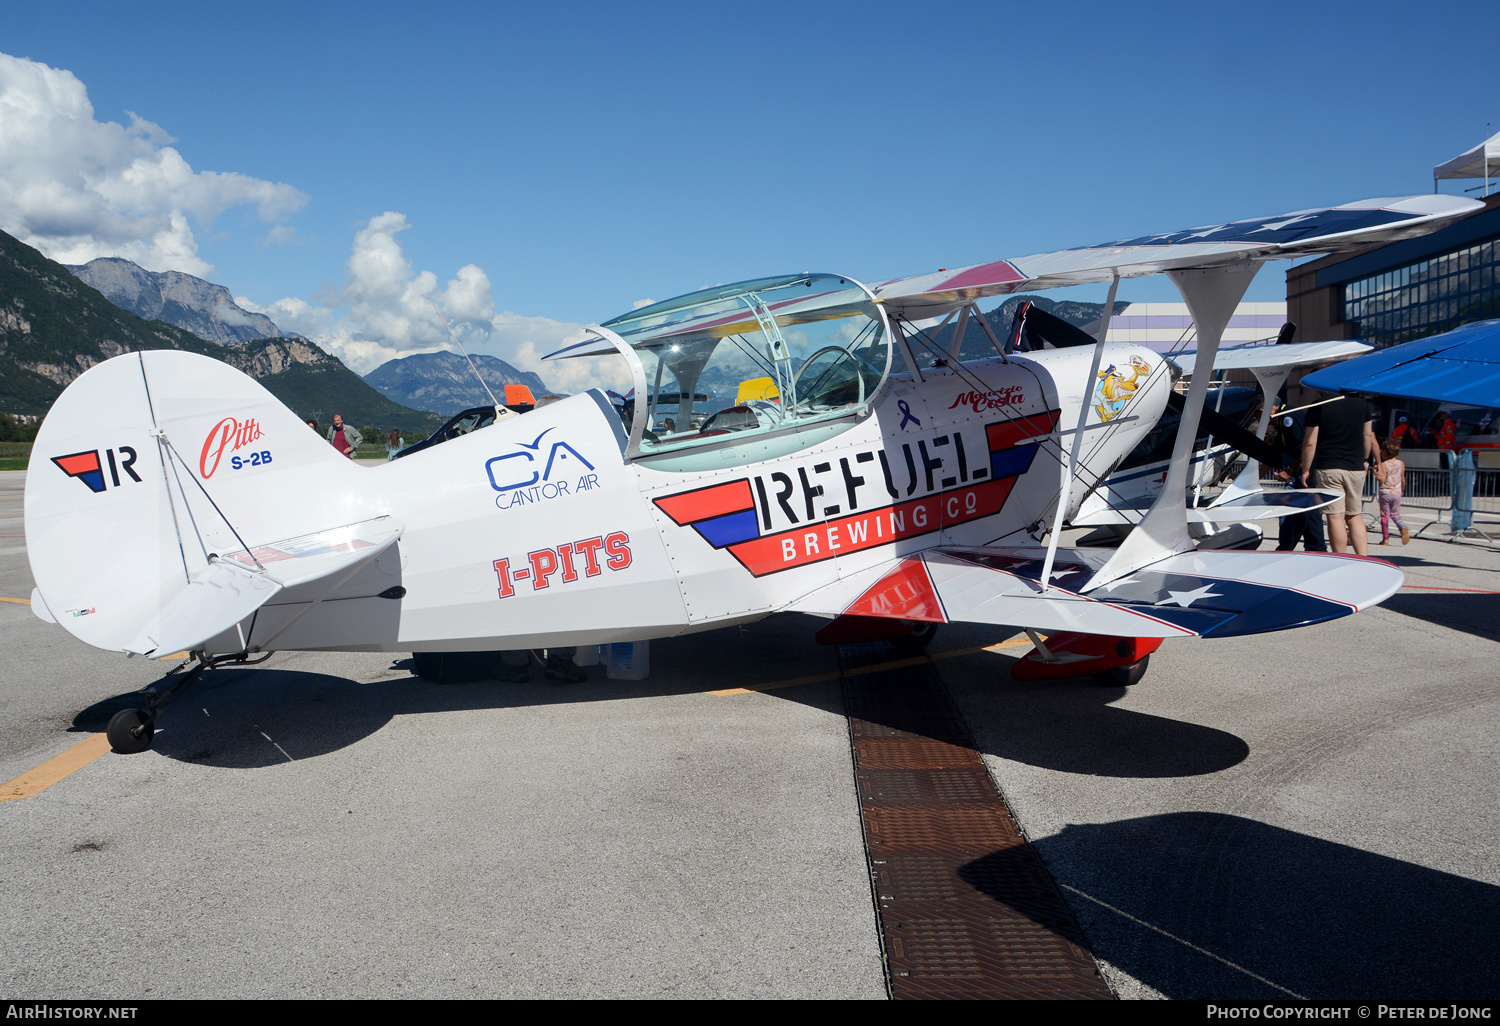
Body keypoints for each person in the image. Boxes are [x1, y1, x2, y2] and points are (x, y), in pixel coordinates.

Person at [1300, 393, 1378, 555]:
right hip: (1355, 467)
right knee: (1354, 515)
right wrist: (1364, 458)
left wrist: (1306, 469)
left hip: (1330, 465)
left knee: (1335, 516)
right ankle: (1363, 557)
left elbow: (1310, 442)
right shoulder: (1362, 404)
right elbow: (1368, 435)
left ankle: (1340, 557)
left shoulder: (1318, 404)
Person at [1375, 438, 1409, 546]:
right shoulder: (1401, 463)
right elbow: (1403, 478)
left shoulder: (1384, 464)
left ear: (1385, 452)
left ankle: (1385, 539)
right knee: (1395, 514)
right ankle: (1402, 527)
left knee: (1385, 516)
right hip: (1397, 493)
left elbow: (1383, 479)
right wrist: (1402, 490)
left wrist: (1376, 472)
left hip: (1385, 492)